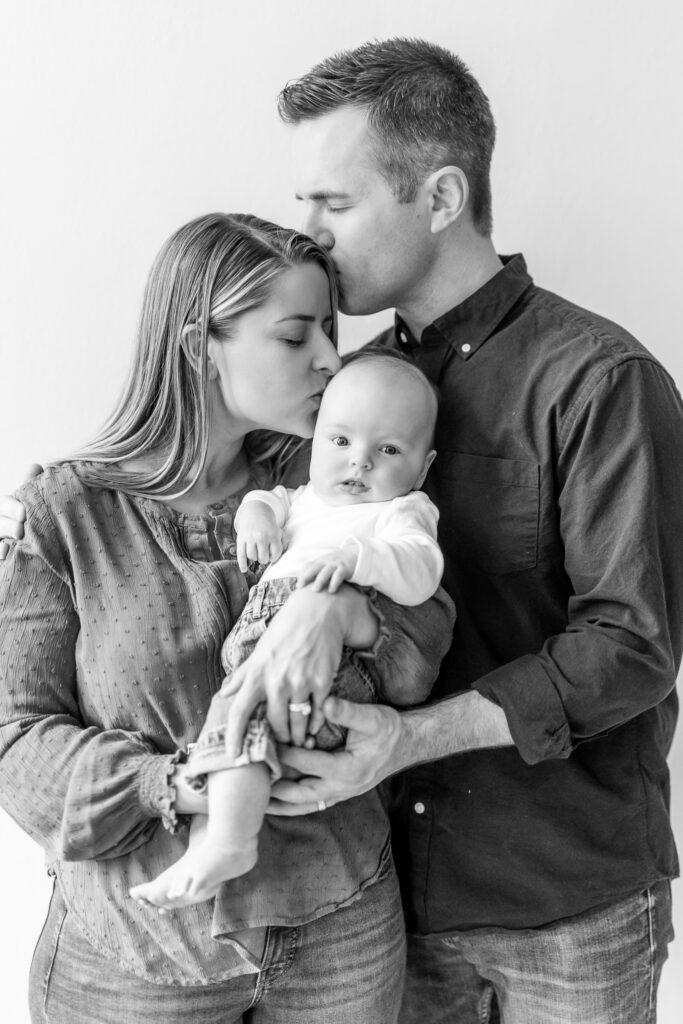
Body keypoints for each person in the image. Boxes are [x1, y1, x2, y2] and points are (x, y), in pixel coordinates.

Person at [204, 39, 680, 1023]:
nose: (308, 233)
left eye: (332, 203)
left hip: (564, 913)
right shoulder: (339, 395)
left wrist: (403, 740)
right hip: (378, 915)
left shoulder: (597, 380)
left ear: (439, 195)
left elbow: (631, 648)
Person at [0, 211, 454, 1024]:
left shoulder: (341, 482)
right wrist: (179, 784)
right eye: (295, 335)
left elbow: (423, 650)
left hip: (341, 930)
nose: (330, 357)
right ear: (198, 348)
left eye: (329, 328)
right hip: (135, 952)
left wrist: (338, 612)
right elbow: (18, 744)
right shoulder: (67, 515)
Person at [128, 352, 443, 911]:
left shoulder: (402, 512)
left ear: (422, 468)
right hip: (257, 645)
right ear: (315, 440)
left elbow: (422, 573)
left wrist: (359, 558)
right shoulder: (300, 498)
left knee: (243, 723)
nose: (360, 463)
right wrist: (256, 520)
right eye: (340, 441)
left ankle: (228, 843)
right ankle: (212, 842)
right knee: (227, 733)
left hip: (332, 670)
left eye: (388, 450)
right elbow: (260, 501)